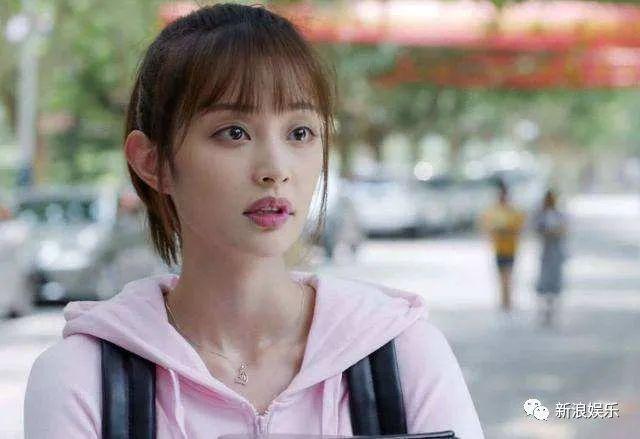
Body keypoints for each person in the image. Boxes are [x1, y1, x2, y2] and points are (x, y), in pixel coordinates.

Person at [23, 4, 484, 438]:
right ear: (152, 161)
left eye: (300, 132)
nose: (275, 169)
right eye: (234, 133)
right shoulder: (84, 380)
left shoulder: (400, 356)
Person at [480, 181, 526, 313]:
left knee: (508, 274)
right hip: (499, 247)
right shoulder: (493, 211)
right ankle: (504, 299)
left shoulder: (513, 211)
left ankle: (508, 299)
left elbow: (519, 226)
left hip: (511, 247)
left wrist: (507, 229)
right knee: (501, 275)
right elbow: (486, 226)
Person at [534, 189, 567, 328]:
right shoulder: (541, 215)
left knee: (555, 280)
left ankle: (552, 307)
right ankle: (545, 308)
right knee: (544, 280)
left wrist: (553, 232)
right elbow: (537, 230)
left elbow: (564, 230)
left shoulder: (559, 215)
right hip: (546, 252)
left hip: (556, 252)